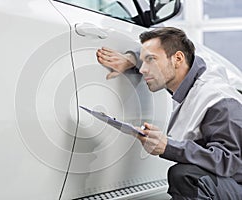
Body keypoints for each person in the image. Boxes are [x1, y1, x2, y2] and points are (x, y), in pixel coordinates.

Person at [96, 27, 242, 199]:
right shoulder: (190, 76)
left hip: (237, 182)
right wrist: (132, 59)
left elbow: (230, 162)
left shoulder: (218, 101)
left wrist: (168, 146)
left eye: (150, 60)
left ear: (178, 59)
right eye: (143, 62)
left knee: (185, 176)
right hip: (228, 182)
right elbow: (174, 53)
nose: (142, 69)